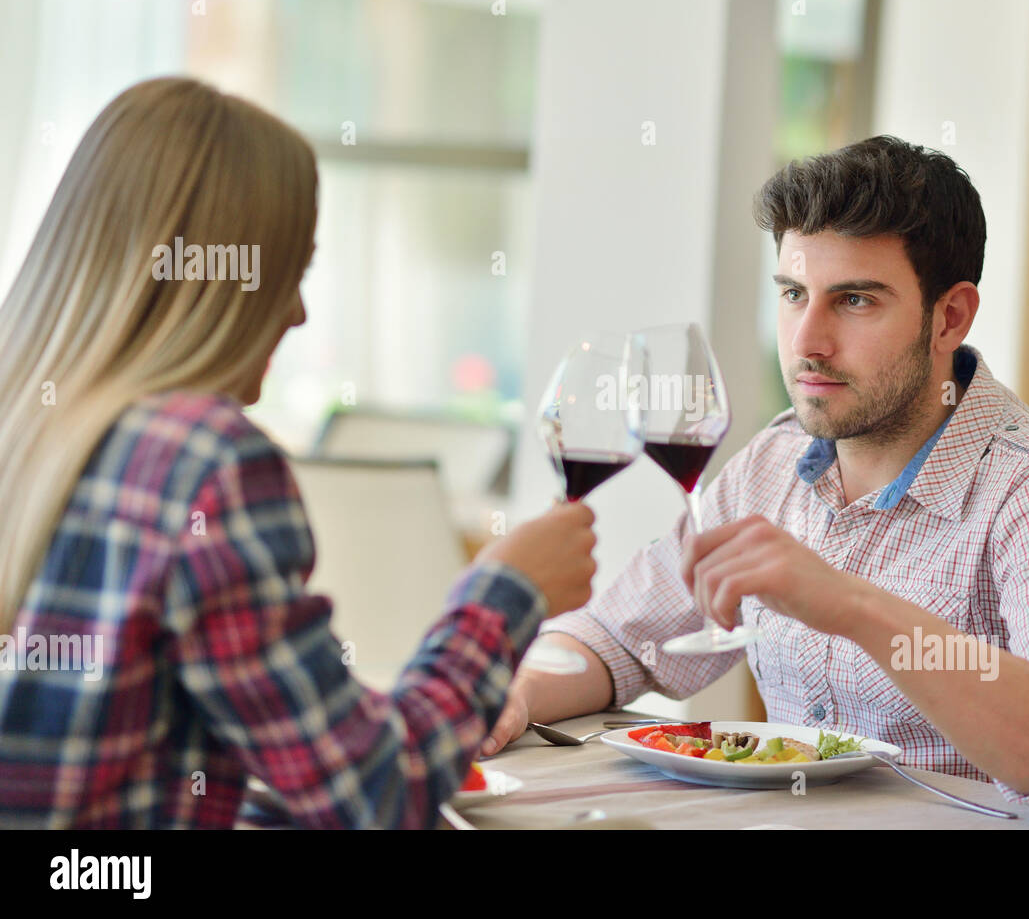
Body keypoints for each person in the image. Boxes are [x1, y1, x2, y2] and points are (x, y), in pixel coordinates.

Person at [484, 136, 1029, 826]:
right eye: (793, 294)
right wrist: (519, 692)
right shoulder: (773, 463)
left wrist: (852, 606)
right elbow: (616, 638)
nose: (807, 340)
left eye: (855, 300)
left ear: (949, 316)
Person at [0, 77, 597, 828]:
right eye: (291, 271)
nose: (299, 309)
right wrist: (507, 590)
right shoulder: (203, 462)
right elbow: (377, 789)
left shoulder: (31, 427)